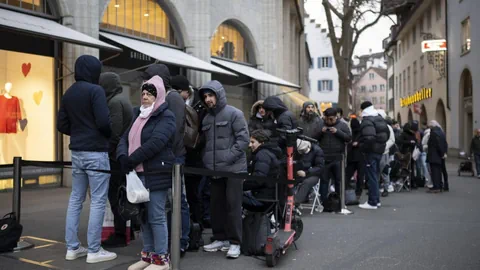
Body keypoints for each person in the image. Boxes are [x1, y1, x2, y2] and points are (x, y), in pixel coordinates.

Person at [57, 55, 117, 263]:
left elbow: (61, 124)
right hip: (96, 152)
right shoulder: (96, 90)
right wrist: (104, 135)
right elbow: (103, 121)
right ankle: (93, 250)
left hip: (77, 152)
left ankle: (72, 248)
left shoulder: (69, 92)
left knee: (76, 199)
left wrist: (79, 131)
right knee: (98, 200)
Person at [117, 76, 176, 270]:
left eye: (150, 93)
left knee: (156, 215)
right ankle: (148, 255)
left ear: (158, 95)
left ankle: (161, 260)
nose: (145, 96)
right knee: (143, 216)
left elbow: (156, 142)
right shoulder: (138, 114)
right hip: (137, 174)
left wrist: (131, 159)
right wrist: (122, 157)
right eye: (143, 92)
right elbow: (124, 138)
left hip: (156, 172)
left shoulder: (166, 116)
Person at [142, 65, 190, 254]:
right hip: (164, 157)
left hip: (173, 157)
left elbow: (174, 131)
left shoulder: (173, 99)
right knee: (167, 202)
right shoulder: (164, 98)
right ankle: (169, 240)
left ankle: (181, 240)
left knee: (177, 200)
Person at [199, 80, 249, 259]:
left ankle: (235, 242)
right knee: (216, 206)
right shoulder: (206, 118)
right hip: (214, 170)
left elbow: (243, 140)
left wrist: (227, 157)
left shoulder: (235, 114)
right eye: (205, 97)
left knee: (233, 206)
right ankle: (220, 238)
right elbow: (205, 144)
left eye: (210, 95)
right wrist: (208, 160)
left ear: (218, 94)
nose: (208, 99)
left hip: (233, 169)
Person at [99, 72, 133, 247]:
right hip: (123, 155)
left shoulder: (113, 102)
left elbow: (115, 131)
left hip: (116, 157)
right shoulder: (122, 98)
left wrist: (107, 150)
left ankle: (120, 235)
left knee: (115, 195)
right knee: (124, 194)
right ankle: (129, 231)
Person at [171, 75, 207, 230]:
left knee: (193, 194)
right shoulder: (176, 101)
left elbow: (204, 131)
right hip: (182, 152)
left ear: (184, 91)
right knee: (183, 195)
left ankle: (196, 227)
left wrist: (195, 143)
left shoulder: (200, 103)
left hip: (194, 155)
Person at [357, 101, 389, 210]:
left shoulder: (367, 120)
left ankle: (372, 202)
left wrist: (362, 147)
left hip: (370, 152)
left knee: (371, 177)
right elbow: (387, 134)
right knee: (375, 176)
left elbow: (369, 138)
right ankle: (376, 201)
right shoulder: (379, 118)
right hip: (379, 151)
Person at [317, 108, 351, 204]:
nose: (329, 121)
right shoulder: (321, 124)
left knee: (339, 181)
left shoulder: (342, 125)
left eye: (331, 119)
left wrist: (337, 132)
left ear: (336, 117)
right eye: (327, 119)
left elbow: (348, 138)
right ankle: (323, 202)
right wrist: (321, 132)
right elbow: (313, 138)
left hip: (338, 157)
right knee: (324, 181)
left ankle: (339, 201)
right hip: (324, 157)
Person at [243, 129, 282, 211]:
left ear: (261, 142)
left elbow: (258, 180)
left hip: (263, 199)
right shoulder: (267, 153)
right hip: (268, 196)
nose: (250, 145)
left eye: (253, 142)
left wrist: (241, 185)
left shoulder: (262, 154)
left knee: (231, 195)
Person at [294, 139, 325, 206]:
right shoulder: (299, 150)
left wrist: (306, 172)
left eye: (303, 150)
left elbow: (320, 167)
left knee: (306, 182)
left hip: (313, 174)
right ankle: (287, 201)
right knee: (288, 180)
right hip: (300, 172)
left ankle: (295, 203)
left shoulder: (317, 151)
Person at [345, 118, 365, 197]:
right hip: (361, 157)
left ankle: (345, 189)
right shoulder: (362, 132)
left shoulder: (350, 132)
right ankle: (358, 192)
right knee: (360, 176)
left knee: (347, 174)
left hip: (351, 157)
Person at [426, 120, 447, 193]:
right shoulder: (441, 132)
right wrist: (443, 153)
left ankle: (436, 187)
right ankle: (439, 186)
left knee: (434, 172)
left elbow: (436, 144)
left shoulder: (433, 133)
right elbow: (444, 143)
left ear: (432, 126)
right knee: (438, 171)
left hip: (433, 155)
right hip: (439, 155)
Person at [377, 110, 395, 193]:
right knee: (375, 171)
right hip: (375, 152)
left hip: (384, 152)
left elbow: (392, 140)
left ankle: (386, 188)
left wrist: (384, 148)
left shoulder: (388, 127)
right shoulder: (374, 125)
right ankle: (375, 188)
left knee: (384, 170)